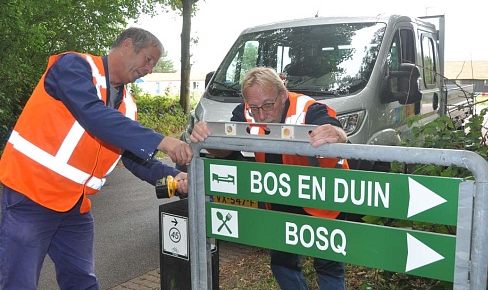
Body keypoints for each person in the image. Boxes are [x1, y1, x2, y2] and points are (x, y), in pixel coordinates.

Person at [0, 27, 193, 289]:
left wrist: (173, 175)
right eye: (148, 59)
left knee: (82, 282)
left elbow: (134, 158)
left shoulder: (127, 105)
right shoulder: (74, 67)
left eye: (154, 64)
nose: (149, 69)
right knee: (17, 283)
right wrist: (162, 140)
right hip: (31, 195)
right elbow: (93, 115)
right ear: (126, 45)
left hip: (74, 206)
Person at [190, 67, 349, 290]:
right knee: (282, 263)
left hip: (321, 200)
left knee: (327, 266)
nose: (261, 115)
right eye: (254, 107)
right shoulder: (246, 112)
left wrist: (335, 133)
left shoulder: (306, 109)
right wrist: (206, 138)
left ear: (282, 94)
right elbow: (226, 148)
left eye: (268, 105)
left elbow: (335, 130)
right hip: (280, 197)